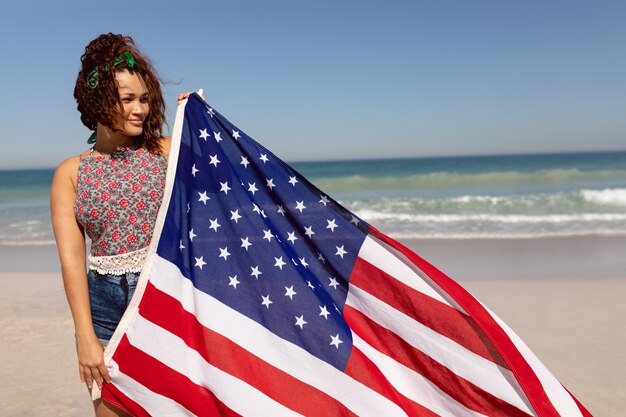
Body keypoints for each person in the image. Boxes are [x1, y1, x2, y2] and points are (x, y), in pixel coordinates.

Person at [50, 33, 191, 417]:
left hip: (165, 298)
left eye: (144, 99)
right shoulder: (71, 173)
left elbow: (216, 187)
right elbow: (72, 262)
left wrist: (197, 125)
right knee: (112, 410)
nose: (140, 109)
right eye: (127, 99)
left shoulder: (164, 150)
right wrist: (85, 336)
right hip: (105, 309)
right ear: (98, 101)